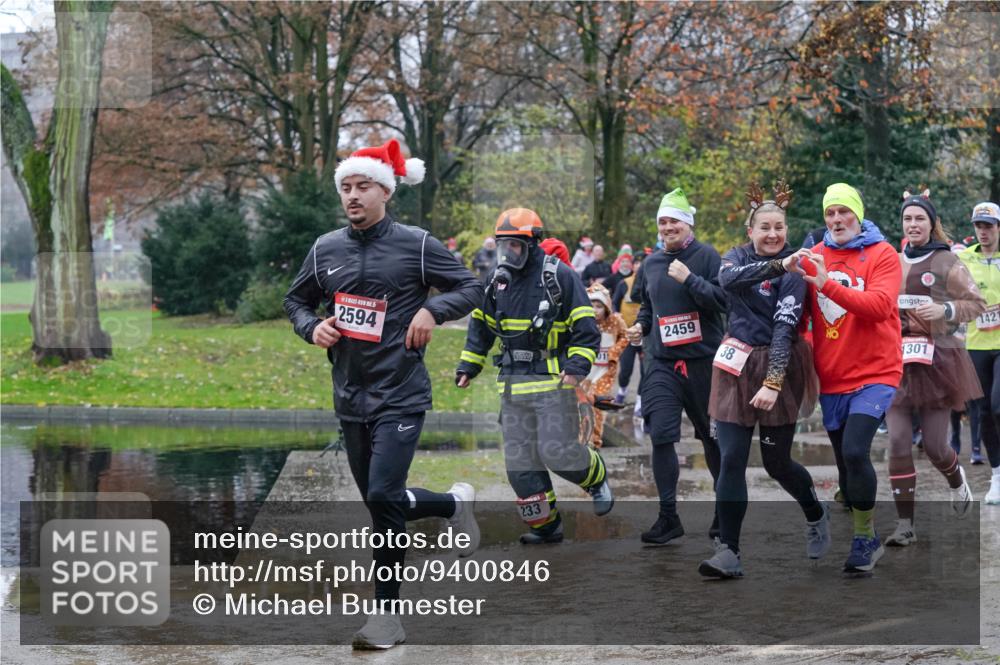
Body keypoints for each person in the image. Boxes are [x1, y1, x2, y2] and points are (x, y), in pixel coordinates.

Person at [284, 138, 482, 650]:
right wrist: (313, 328)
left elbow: (471, 287)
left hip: (401, 392)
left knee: (381, 497)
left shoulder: (416, 244)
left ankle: (387, 618)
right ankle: (453, 505)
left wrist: (430, 311)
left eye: (363, 186)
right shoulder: (325, 248)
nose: (352, 195)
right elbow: (296, 299)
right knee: (382, 506)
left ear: (385, 191)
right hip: (351, 395)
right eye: (346, 187)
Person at [456, 208, 613, 544]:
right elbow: (480, 327)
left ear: (532, 243)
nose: (507, 252)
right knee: (520, 467)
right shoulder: (496, 281)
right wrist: (469, 366)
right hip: (512, 386)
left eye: (515, 245)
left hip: (554, 384)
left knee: (556, 451)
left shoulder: (560, 276)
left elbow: (587, 332)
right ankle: (547, 528)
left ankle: (596, 476)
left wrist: (575, 369)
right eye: (503, 245)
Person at [699, 181, 829, 579]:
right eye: (765, 227)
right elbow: (729, 281)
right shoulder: (733, 259)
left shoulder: (795, 271)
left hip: (779, 365)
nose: (773, 234)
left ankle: (814, 511)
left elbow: (784, 330)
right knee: (732, 460)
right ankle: (729, 551)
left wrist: (773, 382)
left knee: (776, 463)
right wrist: (778, 265)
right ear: (750, 232)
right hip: (735, 366)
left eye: (780, 228)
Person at [784, 182, 902, 574]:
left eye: (843, 212)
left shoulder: (882, 254)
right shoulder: (813, 256)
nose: (836, 220)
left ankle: (866, 539)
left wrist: (826, 282)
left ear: (858, 214)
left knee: (855, 451)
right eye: (830, 214)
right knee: (845, 467)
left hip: (877, 371)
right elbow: (801, 318)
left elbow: (881, 306)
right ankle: (853, 501)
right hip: (832, 376)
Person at [881, 191, 983, 546]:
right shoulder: (891, 261)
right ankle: (905, 524)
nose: (913, 225)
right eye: (908, 219)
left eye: (919, 219)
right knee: (896, 442)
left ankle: (958, 482)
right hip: (899, 362)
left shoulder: (945, 261)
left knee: (938, 447)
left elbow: (977, 303)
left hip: (938, 361)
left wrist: (946, 312)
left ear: (931, 224)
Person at [625, 187, 724, 545]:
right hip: (663, 364)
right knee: (661, 435)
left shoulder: (708, 256)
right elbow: (649, 307)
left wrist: (690, 279)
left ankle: (722, 513)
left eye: (674, 222)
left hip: (703, 363)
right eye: (663, 222)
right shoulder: (650, 263)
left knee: (713, 441)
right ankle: (668, 517)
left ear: (688, 225)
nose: (667, 227)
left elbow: (723, 301)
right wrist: (641, 326)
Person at [957, 201, 1000, 504]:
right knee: (982, 412)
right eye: (978, 226)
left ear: (998, 227)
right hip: (975, 344)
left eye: (989, 225)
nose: (983, 231)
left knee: (998, 406)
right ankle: (997, 476)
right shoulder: (962, 259)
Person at [581, 283, 629, 447]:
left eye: (599, 306)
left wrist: (614, 352)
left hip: (605, 369)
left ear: (606, 306)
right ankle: (582, 438)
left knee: (596, 403)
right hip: (587, 369)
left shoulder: (615, 321)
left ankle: (595, 440)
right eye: (591, 306)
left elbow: (625, 336)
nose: (595, 310)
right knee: (581, 402)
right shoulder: (583, 321)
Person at [613, 252, 643, 406]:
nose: (638, 265)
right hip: (628, 333)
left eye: (641, 263)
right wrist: (616, 314)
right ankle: (622, 391)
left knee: (646, 369)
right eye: (636, 263)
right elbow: (614, 303)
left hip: (645, 333)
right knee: (626, 368)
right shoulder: (624, 283)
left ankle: (640, 401)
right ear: (633, 266)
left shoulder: (651, 282)